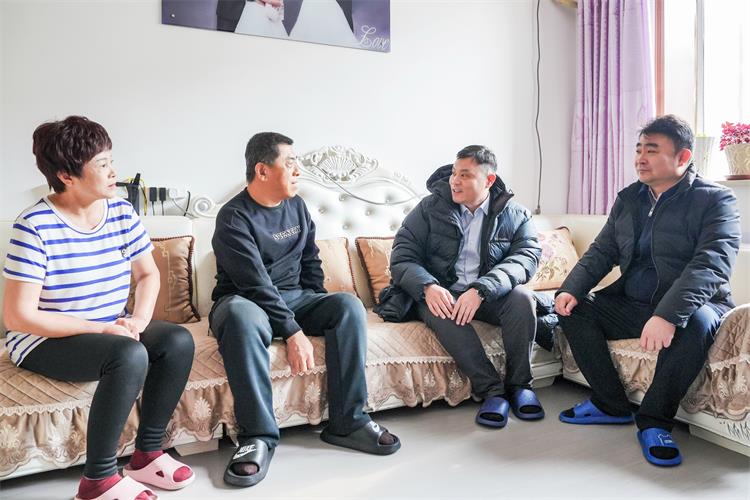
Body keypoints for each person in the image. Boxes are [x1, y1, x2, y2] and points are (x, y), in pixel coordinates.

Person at [2, 116, 196, 500]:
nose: (113, 172)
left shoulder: (121, 212)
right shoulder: (35, 225)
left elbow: (148, 275)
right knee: (128, 354)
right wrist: (104, 330)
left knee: (176, 341)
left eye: (111, 160)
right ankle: (97, 481)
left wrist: (138, 320)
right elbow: (19, 316)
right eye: (102, 164)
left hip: (109, 326)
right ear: (66, 176)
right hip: (42, 339)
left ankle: (147, 454)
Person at [209, 131, 400, 488]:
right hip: (244, 302)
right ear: (263, 170)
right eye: (290, 163)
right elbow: (255, 284)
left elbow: (310, 262)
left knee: (347, 305)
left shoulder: (297, 206)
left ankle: (348, 422)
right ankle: (257, 437)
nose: (298, 170)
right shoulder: (233, 217)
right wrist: (293, 332)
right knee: (239, 315)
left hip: (294, 298)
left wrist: (317, 306)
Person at [554, 115, 741, 467]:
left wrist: (667, 315)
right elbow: (602, 251)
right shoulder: (630, 199)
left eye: (651, 150)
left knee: (698, 322)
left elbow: (710, 265)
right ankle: (610, 404)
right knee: (571, 309)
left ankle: (654, 422)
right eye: (638, 149)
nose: (640, 158)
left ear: (683, 157)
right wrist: (571, 289)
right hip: (635, 302)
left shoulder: (716, 200)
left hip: (694, 305)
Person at [389, 145, 544, 429]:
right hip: (441, 292)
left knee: (522, 298)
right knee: (443, 309)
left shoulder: (516, 213)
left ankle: (521, 386)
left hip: (487, 294)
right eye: (453, 173)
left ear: (489, 180)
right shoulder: (429, 208)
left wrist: (482, 289)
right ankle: (492, 392)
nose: (455, 181)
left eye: (465, 175)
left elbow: (526, 257)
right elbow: (402, 257)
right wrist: (428, 286)